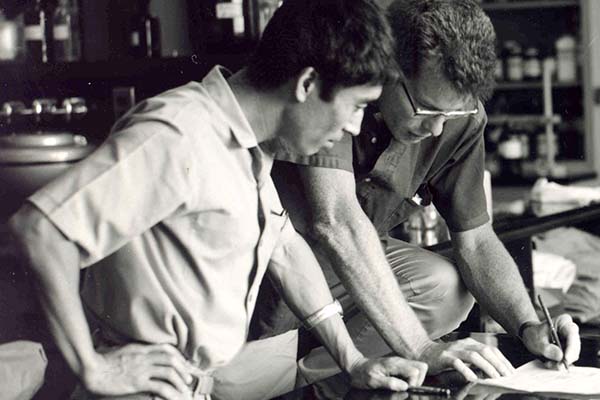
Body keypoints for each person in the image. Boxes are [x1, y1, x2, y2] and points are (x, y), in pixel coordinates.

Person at [8, 1, 429, 399]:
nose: (356, 126)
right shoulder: (180, 132)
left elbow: (283, 249)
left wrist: (353, 361)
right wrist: (93, 368)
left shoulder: (250, 144)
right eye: (355, 106)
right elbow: (41, 230)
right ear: (307, 83)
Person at [267, 0, 581, 384]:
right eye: (426, 109)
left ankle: (323, 381)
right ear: (388, 68)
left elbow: (477, 241)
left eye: (451, 116)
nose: (436, 130)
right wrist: (420, 348)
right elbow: (336, 221)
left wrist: (528, 324)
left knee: (446, 285)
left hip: (342, 267)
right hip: (271, 261)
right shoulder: (340, 88)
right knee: (256, 369)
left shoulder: (458, 118)